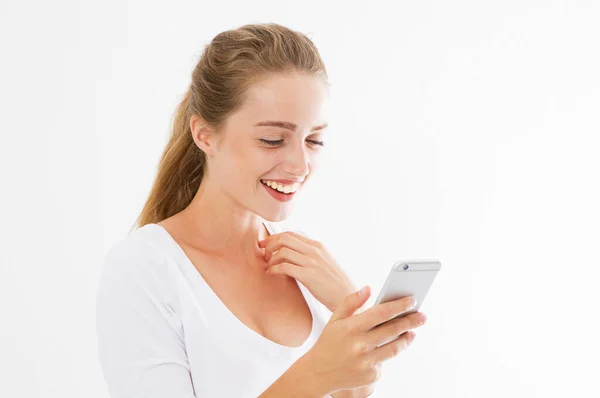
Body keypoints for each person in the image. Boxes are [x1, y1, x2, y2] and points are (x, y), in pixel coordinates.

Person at [95, 22, 427, 398]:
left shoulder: (308, 267)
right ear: (205, 134)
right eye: (272, 139)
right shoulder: (145, 268)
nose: (300, 165)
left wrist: (350, 322)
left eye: (314, 140)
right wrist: (319, 372)